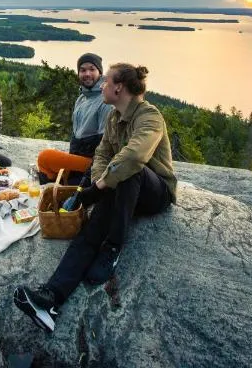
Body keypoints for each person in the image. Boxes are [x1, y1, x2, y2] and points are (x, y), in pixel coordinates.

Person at [14, 63, 177, 332]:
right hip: (121, 189)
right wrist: (99, 185)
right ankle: (51, 299)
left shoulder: (150, 117)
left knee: (130, 170)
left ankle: (113, 247)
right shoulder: (114, 117)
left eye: (106, 81)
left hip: (155, 191)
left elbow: (135, 157)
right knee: (90, 231)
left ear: (119, 87)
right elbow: (101, 154)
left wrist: (99, 186)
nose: (101, 85)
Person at [37, 53, 112, 185]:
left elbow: (104, 143)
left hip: (94, 162)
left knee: (45, 157)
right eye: (83, 70)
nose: (87, 73)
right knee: (45, 163)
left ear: (100, 72)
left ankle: (64, 186)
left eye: (92, 69)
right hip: (79, 157)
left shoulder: (104, 101)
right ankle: (60, 185)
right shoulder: (81, 99)